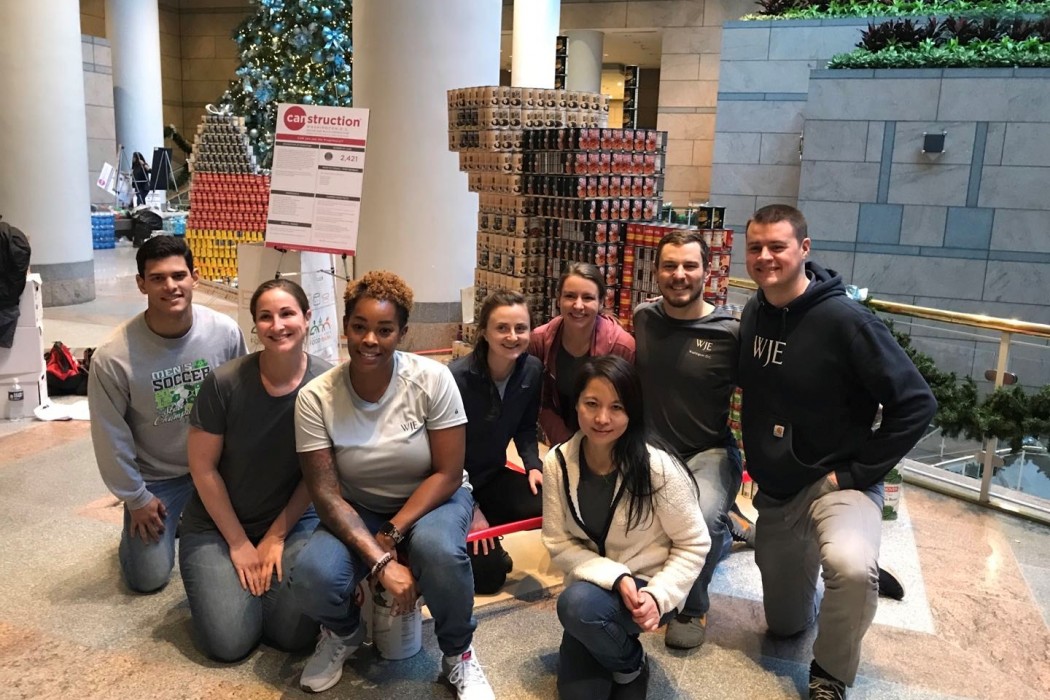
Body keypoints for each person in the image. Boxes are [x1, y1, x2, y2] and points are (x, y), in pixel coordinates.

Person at [738, 204, 937, 700]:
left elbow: (916, 404)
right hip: (778, 494)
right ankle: (845, 580)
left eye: (777, 246)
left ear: (804, 249)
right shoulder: (754, 311)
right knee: (785, 626)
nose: (765, 257)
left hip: (835, 484)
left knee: (849, 567)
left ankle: (831, 673)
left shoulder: (846, 319)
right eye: (755, 248)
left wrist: (853, 473)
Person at [290, 270, 494, 699]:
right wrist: (381, 562)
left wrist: (390, 534)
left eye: (384, 330)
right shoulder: (315, 397)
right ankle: (343, 634)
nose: (370, 339)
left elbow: (448, 473)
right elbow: (325, 495)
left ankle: (459, 654)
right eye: (360, 327)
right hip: (358, 503)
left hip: (434, 496)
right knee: (312, 575)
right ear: (346, 327)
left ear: (402, 333)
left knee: (440, 551)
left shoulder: (432, 380)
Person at [179, 279, 330, 662]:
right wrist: (238, 543)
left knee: (291, 635)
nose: (277, 325)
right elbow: (202, 468)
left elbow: (318, 476)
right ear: (255, 326)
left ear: (307, 318)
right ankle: (224, 584)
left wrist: (277, 536)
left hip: (294, 521)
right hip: (218, 523)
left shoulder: (328, 385)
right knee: (229, 644)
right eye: (266, 317)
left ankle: (253, 590)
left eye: (287, 313)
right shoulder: (225, 383)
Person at [542, 355, 710, 700]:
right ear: (576, 405)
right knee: (580, 688)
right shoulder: (557, 463)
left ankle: (627, 661)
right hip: (592, 589)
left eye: (617, 407)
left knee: (578, 608)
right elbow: (558, 542)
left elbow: (694, 543)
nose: (602, 418)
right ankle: (627, 659)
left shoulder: (656, 467)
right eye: (592, 404)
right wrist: (614, 576)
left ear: (632, 411)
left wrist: (658, 595)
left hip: (645, 589)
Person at [88, 236, 246, 593]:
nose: (170, 286)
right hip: (159, 480)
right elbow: (109, 435)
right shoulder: (113, 357)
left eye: (179, 275)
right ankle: (152, 531)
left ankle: (190, 523)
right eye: (157, 278)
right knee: (149, 578)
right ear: (141, 283)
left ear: (196, 277)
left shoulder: (224, 333)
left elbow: (243, 405)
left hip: (217, 469)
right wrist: (137, 498)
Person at [632, 230, 742, 651]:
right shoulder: (644, 317)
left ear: (706, 271)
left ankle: (692, 606)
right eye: (669, 266)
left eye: (689, 266)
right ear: (656, 272)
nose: (679, 275)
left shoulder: (730, 329)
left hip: (709, 451)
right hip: (653, 452)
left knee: (700, 520)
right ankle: (726, 532)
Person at [450, 290, 543, 594]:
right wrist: (471, 507)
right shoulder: (456, 379)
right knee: (490, 579)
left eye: (520, 328)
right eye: (501, 328)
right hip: (451, 486)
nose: (512, 336)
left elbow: (527, 427)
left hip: (491, 475)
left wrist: (533, 466)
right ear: (484, 333)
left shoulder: (532, 370)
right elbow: (442, 457)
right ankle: (466, 541)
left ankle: (484, 535)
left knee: (545, 502)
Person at [529, 262, 635, 446]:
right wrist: (568, 446)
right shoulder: (538, 341)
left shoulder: (622, 347)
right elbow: (541, 402)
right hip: (561, 444)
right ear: (558, 299)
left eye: (587, 298)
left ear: (601, 302)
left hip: (609, 445)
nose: (578, 305)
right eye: (570, 296)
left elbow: (626, 409)